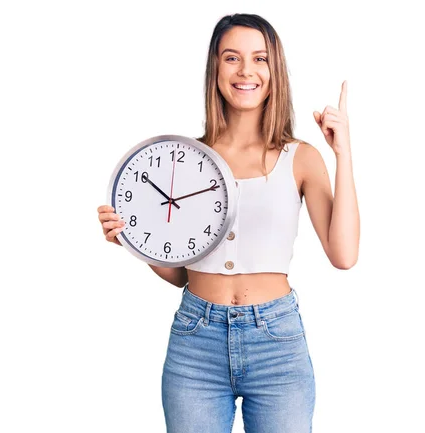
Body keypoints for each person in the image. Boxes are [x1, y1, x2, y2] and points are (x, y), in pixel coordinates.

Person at [97, 13, 359, 433]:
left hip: (276, 343)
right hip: (195, 341)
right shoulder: (185, 158)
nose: (246, 71)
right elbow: (182, 274)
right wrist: (131, 242)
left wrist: (343, 153)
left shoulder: (301, 157)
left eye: (259, 59)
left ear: (275, 70)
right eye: (232, 58)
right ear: (215, 69)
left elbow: (344, 255)